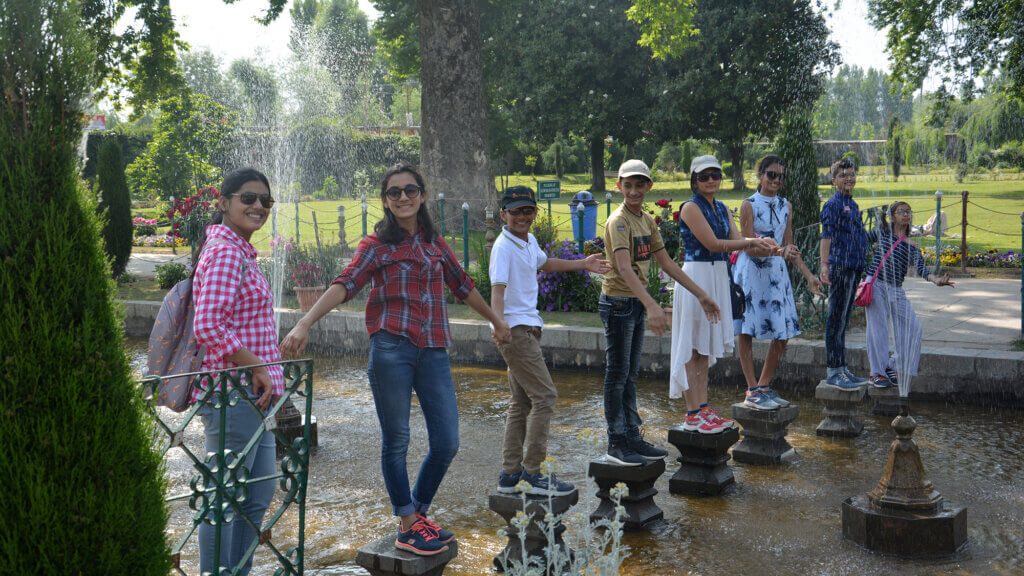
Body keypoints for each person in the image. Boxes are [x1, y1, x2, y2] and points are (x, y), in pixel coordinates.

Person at [280, 163, 511, 556]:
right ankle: (407, 521)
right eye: (394, 192)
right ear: (385, 200)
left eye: (410, 190)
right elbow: (345, 284)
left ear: (422, 194)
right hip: (391, 350)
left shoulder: (435, 244)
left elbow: (463, 286)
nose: (403, 197)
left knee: (447, 442)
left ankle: (415, 514)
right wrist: (305, 323)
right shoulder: (376, 246)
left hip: (434, 349)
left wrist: (496, 321)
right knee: (398, 440)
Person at [490, 186, 610, 495]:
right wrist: (499, 324)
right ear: (503, 214)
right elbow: (497, 291)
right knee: (546, 397)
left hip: (527, 330)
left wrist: (583, 264)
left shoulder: (528, 240)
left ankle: (509, 475)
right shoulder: (503, 247)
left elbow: (545, 263)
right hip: (515, 332)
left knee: (521, 402)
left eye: (528, 211)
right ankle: (533, 472)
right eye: (516, 211)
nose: (523, 217)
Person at [192, 167, 282, 575]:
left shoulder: (239, 249)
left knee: (259, 493)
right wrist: (258, 366)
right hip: (232, 395)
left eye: (265, 201)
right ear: (224, 203)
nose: (258, 206)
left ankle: (237, 571)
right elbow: (208, 323)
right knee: (223, 498)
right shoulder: (227, 251)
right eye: (248, 198)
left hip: (251, 395)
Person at [601, 159, 721, 465]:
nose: (634, 191)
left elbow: (667, 264)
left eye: (639, 185)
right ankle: (616, 442)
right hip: (618, 303)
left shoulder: (646, 221)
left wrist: (702, 295)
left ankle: (631, 437)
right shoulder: (619, 222)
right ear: (619, 187)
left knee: (629, 375)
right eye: (628, 185)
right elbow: (625, 268)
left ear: (648, 187)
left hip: (634, 303)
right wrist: (651, 304)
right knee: (617, 375)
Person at [670, 155, 778, 431]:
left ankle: (703, 407)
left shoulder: (721, 208)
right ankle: (692, 412)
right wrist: (752, 240)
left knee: (704, 348)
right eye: (704, 176)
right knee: (693, 346)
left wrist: (764, 245)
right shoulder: (690, 208)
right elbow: (715, 243)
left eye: (715, 175)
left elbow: (736, 239)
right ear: (695, 180)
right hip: (697, 275)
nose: (710, 181)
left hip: (717, 275)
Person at [733, 156, 825, 409]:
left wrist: (808, 276)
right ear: (760, 175)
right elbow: (748, 247)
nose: (775, 180)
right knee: (746, 329)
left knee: (783, 331)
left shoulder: (786, 205)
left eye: (780, 176)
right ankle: (752, 389)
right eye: (771, 174)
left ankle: (763, 385)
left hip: (776, 273)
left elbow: (789, 245)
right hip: (752, 272)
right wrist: (777, 252)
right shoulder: (748, 205)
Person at [864, 201, 954, 388]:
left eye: (908, 212)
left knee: (914, 329)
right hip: (876, 284)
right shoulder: (881, 234)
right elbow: (858, 239)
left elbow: (921, 268)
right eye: (901, 211)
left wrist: (935, 280)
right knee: (878, 330)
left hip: (896, 289)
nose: (906, 215)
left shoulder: (912, 244)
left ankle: (892, 365)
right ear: (892, 216)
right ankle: (877, 373)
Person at [819, 158, 869, 389]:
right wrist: (824, 265)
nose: (849, 178)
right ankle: (833, 371)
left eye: (852, 174)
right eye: (843, 175)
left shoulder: (854, 205)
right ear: (833, 180)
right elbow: (826, 236)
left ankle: (842, 368)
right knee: (835, 320)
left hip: (854, 267)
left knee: (844, 320)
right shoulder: (833, 204)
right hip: (840, 266)